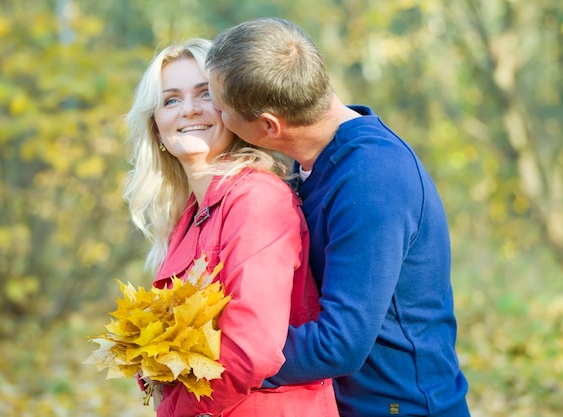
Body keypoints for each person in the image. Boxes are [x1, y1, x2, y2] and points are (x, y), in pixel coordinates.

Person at [206, 17, 471, 417]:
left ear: (268, 126)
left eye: (220, 108)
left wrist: (208, 356)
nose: (211, 114)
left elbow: (340, 344)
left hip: (399, 406)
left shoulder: (373, 182)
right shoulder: (309, 164)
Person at [122, 38, 339, 417]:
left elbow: (250, 349)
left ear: (230, 109)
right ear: (156, 128)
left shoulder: (257, 200)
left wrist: (174, 410)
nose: (188, 110)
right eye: (170, 100)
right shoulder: (187, 214)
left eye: (204, 94)